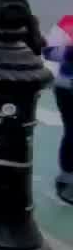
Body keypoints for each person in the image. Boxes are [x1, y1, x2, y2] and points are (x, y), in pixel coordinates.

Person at [45, 31, 73, 204]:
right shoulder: (67, 26)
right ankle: (66, 179)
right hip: (68, 89)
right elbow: (47, 51)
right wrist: (69, 50)